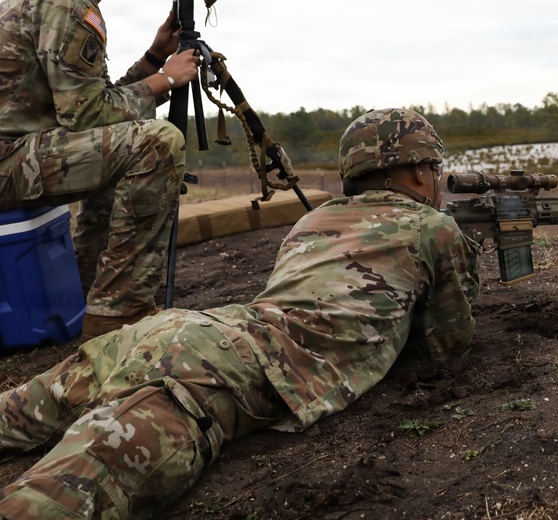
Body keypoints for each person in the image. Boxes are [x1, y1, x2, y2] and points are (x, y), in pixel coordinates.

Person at [0, 108, 481, 519]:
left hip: (176, 332)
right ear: (420, 172)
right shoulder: (433, 226)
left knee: (13, 415)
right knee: (53, 500)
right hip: (216, 374)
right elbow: (445, 345)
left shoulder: (311, 220)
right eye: (435, 170)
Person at [0, 0, 201, 339]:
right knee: (155, 143)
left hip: (17, 154)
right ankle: (118, 314)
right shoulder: (68, 2)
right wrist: (167, 80)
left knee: (125, 141)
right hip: (7, 163)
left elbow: (96, 106)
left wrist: (153, 59)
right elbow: (88, 116)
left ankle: (91, 293)